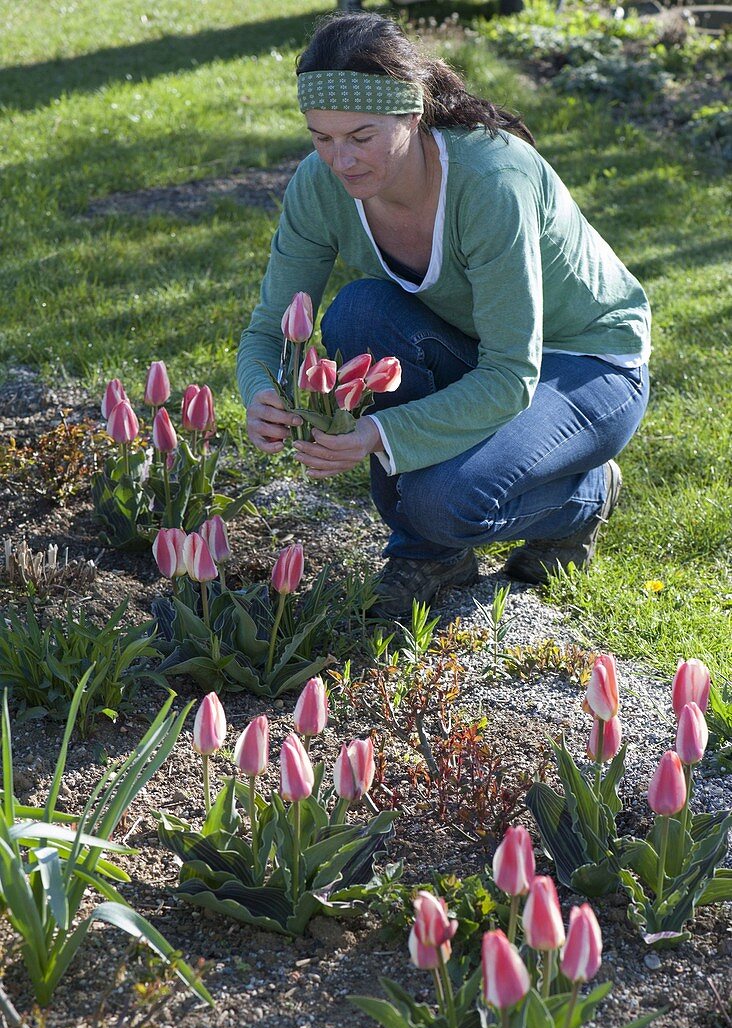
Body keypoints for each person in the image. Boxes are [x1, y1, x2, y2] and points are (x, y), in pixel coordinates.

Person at [238, 12, 650, 619]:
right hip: (477, 347)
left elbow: (512, 374)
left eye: (361, 136)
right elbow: (269, 329)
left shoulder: (490, 181)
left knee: (443, 500)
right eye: (321, 138)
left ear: (410, 113)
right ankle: (428, 555)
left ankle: (585, 494)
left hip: (586, 363)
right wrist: (259, 393)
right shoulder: (319, 187)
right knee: (360, 313)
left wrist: (375, 435)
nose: (340, 160)